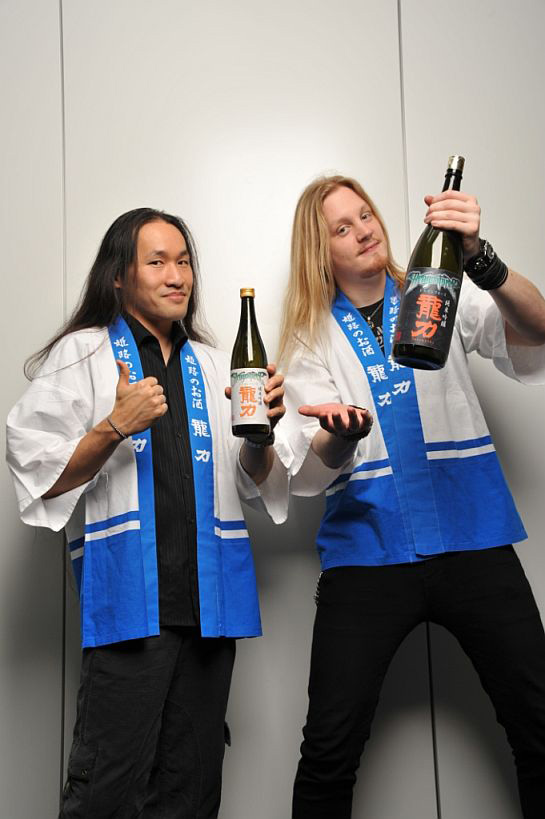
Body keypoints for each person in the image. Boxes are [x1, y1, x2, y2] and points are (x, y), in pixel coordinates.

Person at [6, 207, 291, 819]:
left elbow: (254, 481)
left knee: (193, 794)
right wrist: (114, 425)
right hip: (131, 603)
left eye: (183, 261)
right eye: (157, 262)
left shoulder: (215, 363)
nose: (176, 275)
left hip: (210, 606)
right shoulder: (83, 353)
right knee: (106, 791)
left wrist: (262, 435)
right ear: (119, 275)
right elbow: (36, 468)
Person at [278, 174, 545, 819]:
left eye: (365, 215)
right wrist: (339, 436)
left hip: (473, 539)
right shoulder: (309, 339)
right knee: (329, 750)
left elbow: (538, 330)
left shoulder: (436, 290)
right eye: (341, 228)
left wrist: (481, 258)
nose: (363, 231)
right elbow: (310, 465)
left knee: (539, 723)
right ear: (320, 251)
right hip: (368, 555)